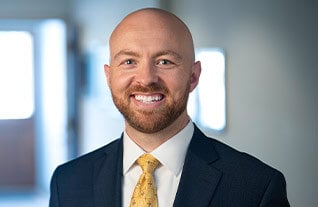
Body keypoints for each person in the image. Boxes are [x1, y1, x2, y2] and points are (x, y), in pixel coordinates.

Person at [49, 8, 290, 207]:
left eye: (164, 61)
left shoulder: (256, 188)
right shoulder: (67, 182)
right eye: (129, 61)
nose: (146, 79)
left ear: (193, 77)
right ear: (109, 77)